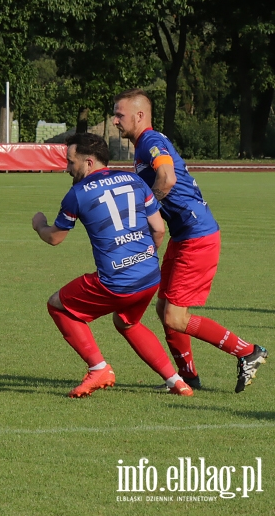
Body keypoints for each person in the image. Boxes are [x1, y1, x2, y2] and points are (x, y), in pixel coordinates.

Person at [113, 89, 267, 393]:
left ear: (139, 115)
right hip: (184, 235)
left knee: (175, 316)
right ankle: (187, 377)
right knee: (164, 310)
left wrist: (149, 210)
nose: (114, 120)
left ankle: (248, 351)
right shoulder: (144, 144)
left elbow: (167, 178)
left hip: (198, 236)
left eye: (119, 114)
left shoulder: (151, 142)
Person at [32, 133, 194, 398]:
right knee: (127, 322)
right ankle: (176, 381)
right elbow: (159, 229)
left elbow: (54, 238)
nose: (66, 168)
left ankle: (99, 368)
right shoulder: (136, 181)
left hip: (116, 282)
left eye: (70, 162)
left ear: (88, 162)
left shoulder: (77, 194)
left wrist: (39, 224)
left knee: (57, 305)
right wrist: (142, 259)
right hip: (150, 275)